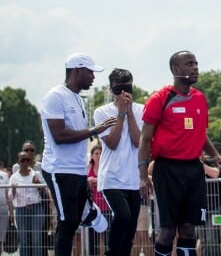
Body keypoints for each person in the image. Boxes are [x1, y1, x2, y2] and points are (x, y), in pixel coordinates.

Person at [137, 50, 221, 256]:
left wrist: (216, 156)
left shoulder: (200, 98)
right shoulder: (159, 98)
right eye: (189, 63)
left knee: (189, 227)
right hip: (167, 168)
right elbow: (144, 139)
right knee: (168, 230)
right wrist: (143, 176)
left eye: (196, 63)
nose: (195, 67)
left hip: (193, 169)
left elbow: (201, 133)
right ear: (176, 69)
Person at [41, 53, 117, 256]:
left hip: (76, 169)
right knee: (67, 222)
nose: (93, 77)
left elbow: (78, 142)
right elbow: (59, 135)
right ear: (77, 71)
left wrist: (83, 176)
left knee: (73, 220)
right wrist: (95, 131)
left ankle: (89, 213)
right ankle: (88, 214)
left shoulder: (78, 99)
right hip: (58, 168)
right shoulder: (55, 96)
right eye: (90, 72)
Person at [94, 68, 144, 256]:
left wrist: (129, 112)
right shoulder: (101, 112)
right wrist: (120, 114)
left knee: (130, 229)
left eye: (128, 88)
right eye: (118, 88)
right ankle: (111, 253)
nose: (123, 93)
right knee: (123, 216)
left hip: (133, 179)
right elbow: (112, 143)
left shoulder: (141, 110)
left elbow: (138, 141)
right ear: (110, 89)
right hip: (112, 178)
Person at [9, 151, 45, 256]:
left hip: (36, 207)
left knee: (36, 239)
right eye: (22, 160)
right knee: (24, 240)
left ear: (30, 161)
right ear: (18, 162)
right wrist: (14, 189)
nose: (25, 162)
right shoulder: (14, 177)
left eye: (27, 160)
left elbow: (44, 192)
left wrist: (39, 185)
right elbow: (10, 197)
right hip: (21, 209)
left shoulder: (36, 174)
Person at [87, 143, 110, 255]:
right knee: (93, 240)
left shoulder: (106, 166)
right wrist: (89, 180)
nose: (99, 155)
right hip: (93, 208)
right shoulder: (88, 168)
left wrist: (95, 180)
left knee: (108, 238)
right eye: (96, 153)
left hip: (107, 207)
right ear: (92, 156)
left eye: (100, 153)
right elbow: (85, 181)